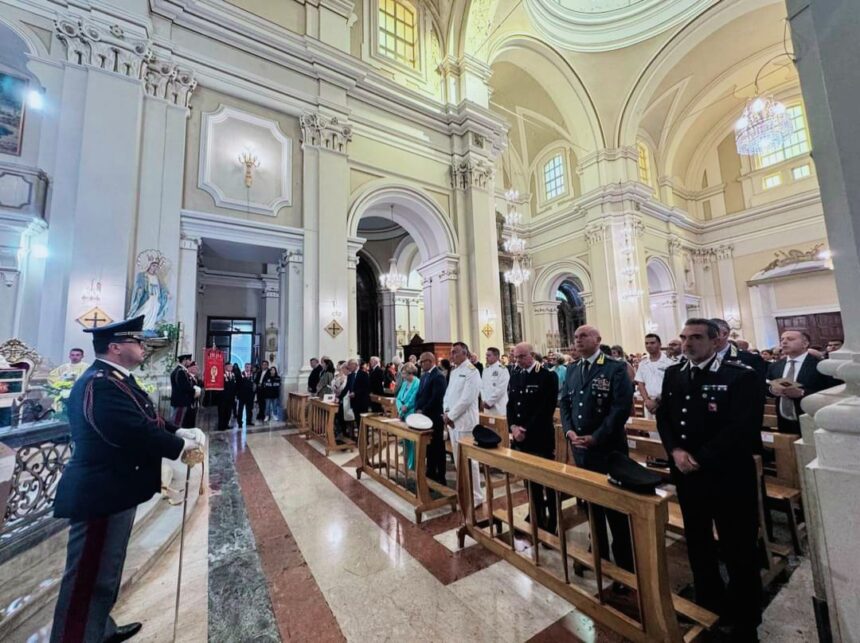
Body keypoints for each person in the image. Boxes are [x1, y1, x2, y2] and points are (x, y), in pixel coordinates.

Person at [51, 316, 203, 643]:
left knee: (106, 572)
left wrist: (177, 431)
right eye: (136, 341)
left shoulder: (118, 379)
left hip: (115, 489)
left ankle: (100, 629)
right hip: (100, 491)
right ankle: (76, 637)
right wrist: (180, 447)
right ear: (115, 347)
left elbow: (147, 417)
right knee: (88, 577)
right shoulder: (99, 384)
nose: (143, 345)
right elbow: (132, 430)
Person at [656, 318, 763, 640]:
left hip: (728, 474)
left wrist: (699, 457)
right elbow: (666, 417)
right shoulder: (675, 373)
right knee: (698, 540)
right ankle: (709, 600)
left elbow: (742, 426)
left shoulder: (740, 376)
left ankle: (746, 617)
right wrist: (674, 449)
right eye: (684, 337)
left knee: (737, 546)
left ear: (716, 341)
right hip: (688, 474)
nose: (687, 343)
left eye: (696, 338)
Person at [560, 325, 634, 574]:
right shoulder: (572, 368)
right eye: (576, 336)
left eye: (583, 336)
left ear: (598, 340)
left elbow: (621, 408)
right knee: (591, 504)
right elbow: (566, 402)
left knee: (615, 508)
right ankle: (598, 553)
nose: (577, 340)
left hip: (608, 448)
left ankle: (625, 565)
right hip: (581, 448)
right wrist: (569, 431)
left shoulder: (614, 367)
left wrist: (597, 437)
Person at [507, 342, 559, 532]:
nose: (518, 360)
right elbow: (510, 404)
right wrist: (512, 426)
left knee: (547, 479)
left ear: (532, 355)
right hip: (520, 436)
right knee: (529, 478)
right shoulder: (515, 375)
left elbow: (545, 409)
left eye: (522, 356)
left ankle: (553, 518)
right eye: (516, 357)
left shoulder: (546, 375)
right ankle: (536, 512)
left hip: (539, 436)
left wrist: (524, 429)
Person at [768, 330, 841, 434]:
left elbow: (834, 393)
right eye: (782, 339)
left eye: (790, 339)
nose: (784, 342)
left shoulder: (821, 366)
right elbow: (766, 386)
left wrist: (802, 393)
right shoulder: (775, 366)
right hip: (784, 419)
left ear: (805, 344)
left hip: (812, 418)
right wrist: (772, 389)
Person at [443, 342, 483, 505]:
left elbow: (467, 398)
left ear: (464, 353)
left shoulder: (471, 371)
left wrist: (450, 415)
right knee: (458, 459)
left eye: (455, 352)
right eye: (451, 352)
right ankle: (465, 491)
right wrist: (446, 411)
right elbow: (448, 394)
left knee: (470, 461)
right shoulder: (455, 371)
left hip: (465, 422)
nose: (451, 355)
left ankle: (476, 496)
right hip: (452, 422)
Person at [414, 352, 448, 484]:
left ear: (430, 361)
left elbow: (437, 398)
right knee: (428, 445)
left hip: (434, 416)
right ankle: (431, 470)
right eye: (420, 362)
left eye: (422, 362)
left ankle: (441, 475)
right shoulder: (423, 376)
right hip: (424, 417)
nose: (421, 364)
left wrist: (424, 409)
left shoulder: (438, 376)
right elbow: (419, 394)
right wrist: (417, 407)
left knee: (438, 446)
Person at [634, 333, 675, 419]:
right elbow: (641, 384)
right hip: (649, 403)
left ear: (660, 344)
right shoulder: (643, 363)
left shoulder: (670, 363)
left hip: (666, 402)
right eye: (646, 343)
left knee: (667, 430)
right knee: (651, 431)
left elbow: (672, 385)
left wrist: (657, 402)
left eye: (652, 343)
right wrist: (646, 400)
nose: (649, 345)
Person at [396, 363, 420, 469]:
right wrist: (400, 407)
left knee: (412, 440)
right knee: (405, 438)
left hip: (412, 412)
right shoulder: (405, 383)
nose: (403, 376)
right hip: (403, 412)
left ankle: (413, 464)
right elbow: (398, 397)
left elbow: (414, 397)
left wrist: (406, 406)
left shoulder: (417, 382)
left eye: (405, 374)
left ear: (411, 373)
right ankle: (407, 462)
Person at [480, 347, 510, 417]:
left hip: (499, 406)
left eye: (489, 355)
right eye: (486, 355)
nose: (486, 357)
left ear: (496, 356)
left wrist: (490, 402)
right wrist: (484, 400)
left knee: (500, 427)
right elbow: (482, 387)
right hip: (486, 406)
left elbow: (501, 389)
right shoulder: (485, 370)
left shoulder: (502, 369)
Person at [169, 354, 195, 426]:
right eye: (189, 360)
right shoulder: (180, 371)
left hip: (179, 401)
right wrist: (194, 390)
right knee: (177, 422)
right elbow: (184, 387)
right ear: (184, 360)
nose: (190, 362)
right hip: (181, 401)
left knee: (177, 420)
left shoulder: (179, 370)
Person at [217, 357, 237, 431]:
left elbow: (234, 385)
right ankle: (221, 426)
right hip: (223, 397)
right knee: (222, 412)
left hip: (231, 397)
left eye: (231, 366)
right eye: (229, 366)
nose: (230, 368)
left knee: (228, 412)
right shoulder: (221, 374)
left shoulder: (233, 375)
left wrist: (235, 395)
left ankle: (226, 424)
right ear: (225, 367)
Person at [181, 361, 203, 428]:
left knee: (193, 417)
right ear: (190, 368)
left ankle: (192, 429)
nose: (197, 370)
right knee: (187, 418)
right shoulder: (187, 376)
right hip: (188, 401)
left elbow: (200, 385)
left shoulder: (195, 378)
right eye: (195, 368)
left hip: (195, 401)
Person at [237, 363, 256, 427]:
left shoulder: (252, 375)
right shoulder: (241, 374)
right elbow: (238, 384)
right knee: (240, 409)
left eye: (249, 367)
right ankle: (240, 422)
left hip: (250, 395)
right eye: (247, 367)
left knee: (249, 409)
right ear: (245, 367)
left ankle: (249, 421)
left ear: (250, 368)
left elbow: (254, 384)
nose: (248, 368)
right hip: (242, 395)